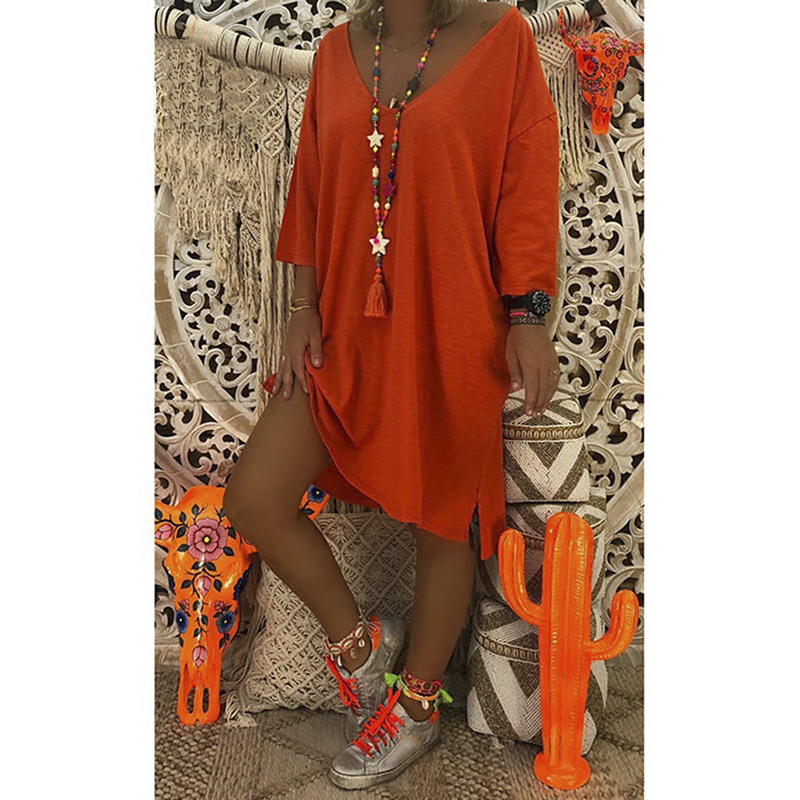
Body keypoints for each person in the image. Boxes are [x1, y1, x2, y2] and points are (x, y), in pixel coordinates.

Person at [223, 0, 561, 789]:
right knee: (255, 498)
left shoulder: (503, 39)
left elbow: (526, 187)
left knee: (442, 522)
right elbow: (310, 188)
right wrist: (301, 308)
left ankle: (415, 707)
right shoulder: (339, 51)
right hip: (344, 331)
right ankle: (362, 649)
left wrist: (528, 317)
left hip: (452, 329)